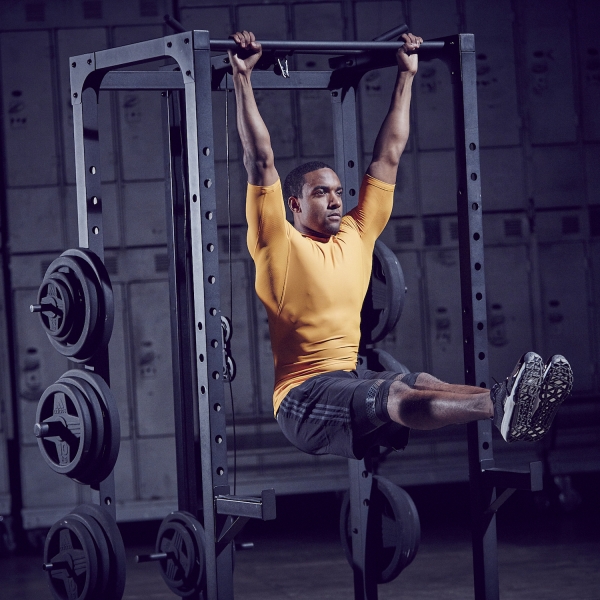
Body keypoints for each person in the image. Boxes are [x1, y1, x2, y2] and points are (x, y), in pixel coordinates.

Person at [228, 30, 573, 460]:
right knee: (391, 393)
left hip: (348, 377)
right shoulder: (277, 244)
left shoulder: (356, 233)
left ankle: (509, 402)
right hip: (302, 398)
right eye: (321, 193)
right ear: (293, 204)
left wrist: (406, 75)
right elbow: (260, 160)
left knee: (415, 381)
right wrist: (243, 78)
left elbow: (389, 154)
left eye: (338, 190)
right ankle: (501, 405)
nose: (336, 199)